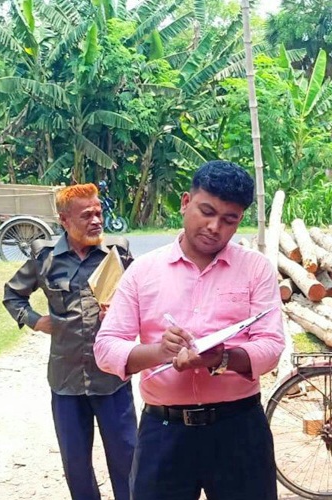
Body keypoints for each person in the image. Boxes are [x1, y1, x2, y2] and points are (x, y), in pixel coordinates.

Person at [94, 160, 284, 500]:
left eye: (230, 220)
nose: (214, 227)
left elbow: (271, 346)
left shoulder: (256, 269)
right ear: (185, 202)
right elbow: (106, 348)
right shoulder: (143, 272)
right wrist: (158, 352)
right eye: (206, 211)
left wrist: (220, 358)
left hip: (239, 428)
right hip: (164, 432)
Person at [3, 183, 136, 500]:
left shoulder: (117, 252)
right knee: (75, 465)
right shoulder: (44, 256)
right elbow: (13, 295)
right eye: (86, 215)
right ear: (64, 220)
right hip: (66, 382)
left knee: (127, 459)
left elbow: (143, 297)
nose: (95, 220)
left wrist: (122, 313)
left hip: (112, 379)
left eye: (98, 213)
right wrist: (36, 321)